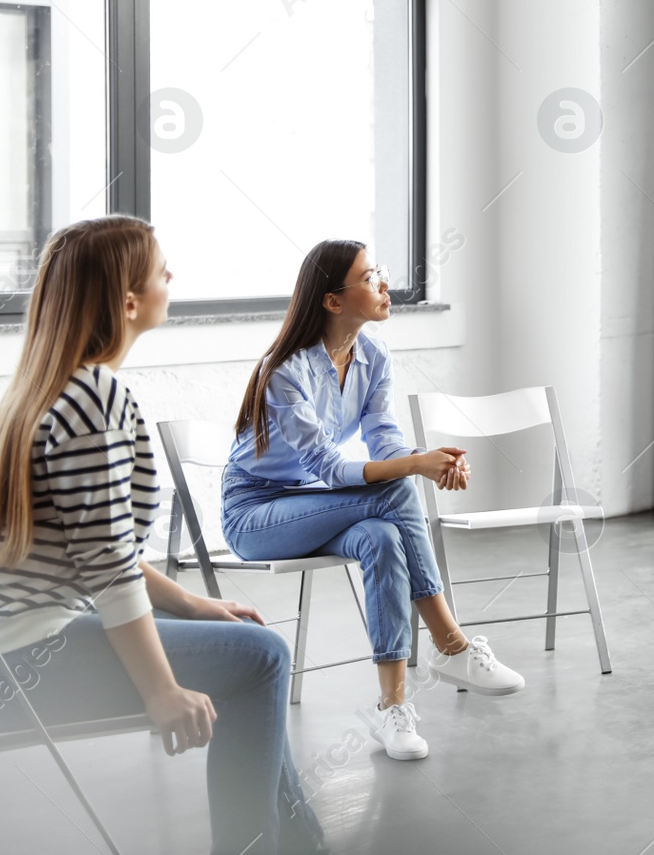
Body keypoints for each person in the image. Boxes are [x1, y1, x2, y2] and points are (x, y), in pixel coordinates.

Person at [0, 216, 325, 855]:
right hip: (14, 668)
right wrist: (161, 691)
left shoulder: (46, 388)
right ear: (128, 301)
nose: (173, 279)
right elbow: (107, 567)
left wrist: (193, 604)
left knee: (245, 642)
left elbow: (93, 551)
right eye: (162, 271)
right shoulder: (96, 400)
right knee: (265, 657)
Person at [221, 240, 521, 763]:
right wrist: (415, 466)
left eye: (380, 271)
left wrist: (433, 459)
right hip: (256, 514)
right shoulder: (286, 371)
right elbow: (330, 467)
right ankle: (451, 644)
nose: (384, 283)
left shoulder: (374, 355)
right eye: (370, 276)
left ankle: (392, 709)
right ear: (334, 301)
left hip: (317, 503)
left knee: (383, 535)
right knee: (398, 487)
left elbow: (383, 438)